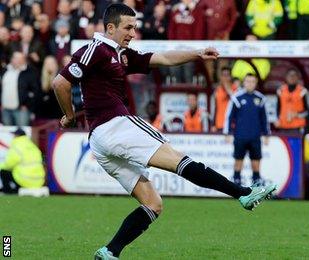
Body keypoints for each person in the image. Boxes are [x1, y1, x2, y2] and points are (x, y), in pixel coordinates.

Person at [52, 4, 276, 259]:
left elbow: (163, 58)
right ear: (110, 28)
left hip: (100, 140)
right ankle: (244, 194)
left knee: (153, 204)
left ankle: (109, 251)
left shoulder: (120, 54)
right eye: (128, 27)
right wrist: (69, 115)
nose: (133, 33)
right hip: (115, 125)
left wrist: (197, 53)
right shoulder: (95, 50)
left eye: (134, 27)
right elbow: (60, 82)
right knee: (178, 160)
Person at [224, 74, 270, 185]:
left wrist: (266, 134)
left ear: (256, 83)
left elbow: (264, 118)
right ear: (244, 83)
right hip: (240, 136)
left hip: (255, 137)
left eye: (252, 81)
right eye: (248, 81)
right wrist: (228, 132)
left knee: (256, 163)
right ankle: (236, 185)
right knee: (238, 162)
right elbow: (229, 116)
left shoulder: (260, 99)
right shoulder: (237, 98)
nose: (250, 84)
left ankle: (257, 187)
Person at [0, 128, 45, 194]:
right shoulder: (33, 146)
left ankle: (8, 191)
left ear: (17, 136)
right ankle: (16, 189)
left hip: (25, 180)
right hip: (39, 180)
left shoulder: (17, 146)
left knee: (4, 171)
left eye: (14, 135)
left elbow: (9, 164)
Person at [1, 52, 39, 126]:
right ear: (12, 59)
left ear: (24, 60)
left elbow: (35, 91)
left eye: (21, 58)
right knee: (8, 134)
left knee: (22, 133)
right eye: (16, 58)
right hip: (5, 109)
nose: (18, 61)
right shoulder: (5, 70)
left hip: (21, 110)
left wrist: (27, 105)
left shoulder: (30, 72)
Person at [275, 68, 308, 133]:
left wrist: (297, 115)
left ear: (297, 78)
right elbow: (278, 109)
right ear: (286, 77)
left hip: (298, 127)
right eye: (290, 75)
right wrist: (277, 120)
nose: (292, 77)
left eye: (294, 75)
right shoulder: (280, 91)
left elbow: (307, 111)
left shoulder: (303, 91)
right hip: (283, 126)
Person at [210, 67, 238, 133]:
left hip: (232, 125)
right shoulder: (217, 90)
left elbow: (237, 104)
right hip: (219, 125)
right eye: (223, 75)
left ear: (230, 77)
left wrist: (228, 89)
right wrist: (213, 124)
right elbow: (214, 109)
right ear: (220, 77)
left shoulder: (236, 89)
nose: (225, 78)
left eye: (227, 75)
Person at [36, 56, 63, 121]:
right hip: (43, 115)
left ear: (56, 64)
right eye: (47, 63)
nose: (49, 65)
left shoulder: (60, 77)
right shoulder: (40, 78)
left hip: (57, 115)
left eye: (52, 63)